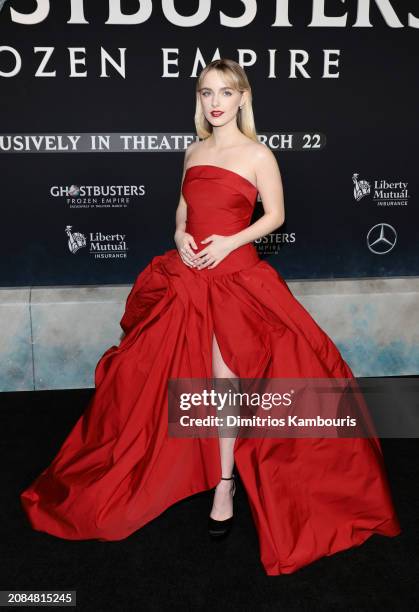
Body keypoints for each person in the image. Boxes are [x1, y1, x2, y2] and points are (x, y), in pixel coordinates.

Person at [20, 58, 401, 576]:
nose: (215, 102)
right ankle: (207, 476)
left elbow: (276, 216)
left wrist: (232, 241)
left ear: (243, 97)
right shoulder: (193, 150)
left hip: (237, 279)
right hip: (187, 276)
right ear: (198, 100)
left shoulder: (257, 153)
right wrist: (180, 236)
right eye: (206, 93)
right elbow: (182, 209)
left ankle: (232, 481)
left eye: (225, 92)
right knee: (174, 380)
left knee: (236, 382)